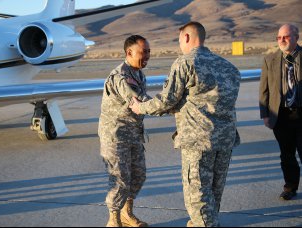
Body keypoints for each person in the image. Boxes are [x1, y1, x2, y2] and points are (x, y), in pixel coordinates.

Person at [130, 22, 240, 227]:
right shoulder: (229, 67)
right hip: (225, 140)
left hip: (198, 140)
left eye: (180, 39)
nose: (179, 43)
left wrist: (140, 108)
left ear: (187, 37)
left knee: (197, 196)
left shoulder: (186, 63)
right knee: (214, 192)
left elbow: (167, 100)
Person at [98, 35, 151, 227]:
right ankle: (114, 220)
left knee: (138, 176)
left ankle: (127, 214)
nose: (146, 56)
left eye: (148, 52)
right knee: (119, 180)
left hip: (134, 134)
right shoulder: (120, 77)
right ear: (129, 52)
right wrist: (168, 105)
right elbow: (138, 100)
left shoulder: (139, 73)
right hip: (116, 136)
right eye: (142, 52)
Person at [259, 24, 302, 201]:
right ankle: (290, 187)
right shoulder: (270, 59)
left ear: (296, 37)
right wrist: (265, 114)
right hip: (281, 116)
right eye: (279, 37)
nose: (281, 40)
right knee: (287, 155)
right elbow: (264, 89)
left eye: (286, 37)